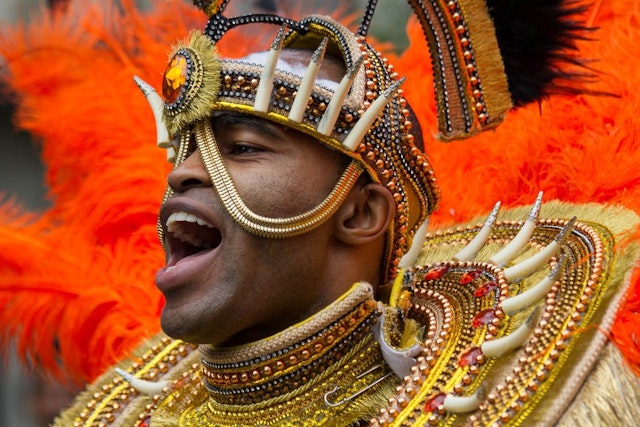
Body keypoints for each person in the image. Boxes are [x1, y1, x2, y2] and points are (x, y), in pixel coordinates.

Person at [1, 0, 639, 426]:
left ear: (359, 213)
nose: (182, 173)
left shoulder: (538, 395)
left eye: (243, 149)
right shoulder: (123, 413)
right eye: (187, 149)